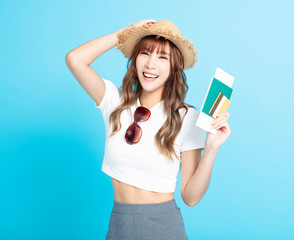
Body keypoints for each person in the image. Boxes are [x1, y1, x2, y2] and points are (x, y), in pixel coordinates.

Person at [65, 19, 231, 240]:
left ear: (174, 67)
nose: (151, 64)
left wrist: (210, 150)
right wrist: (125, 33)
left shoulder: (186, 117)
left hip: (164, 228)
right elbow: (75, 60)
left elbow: (190, 198)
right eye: (145, 53)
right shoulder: (114, 102)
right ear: (135, 60)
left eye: (162, 57)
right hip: (119, 227)